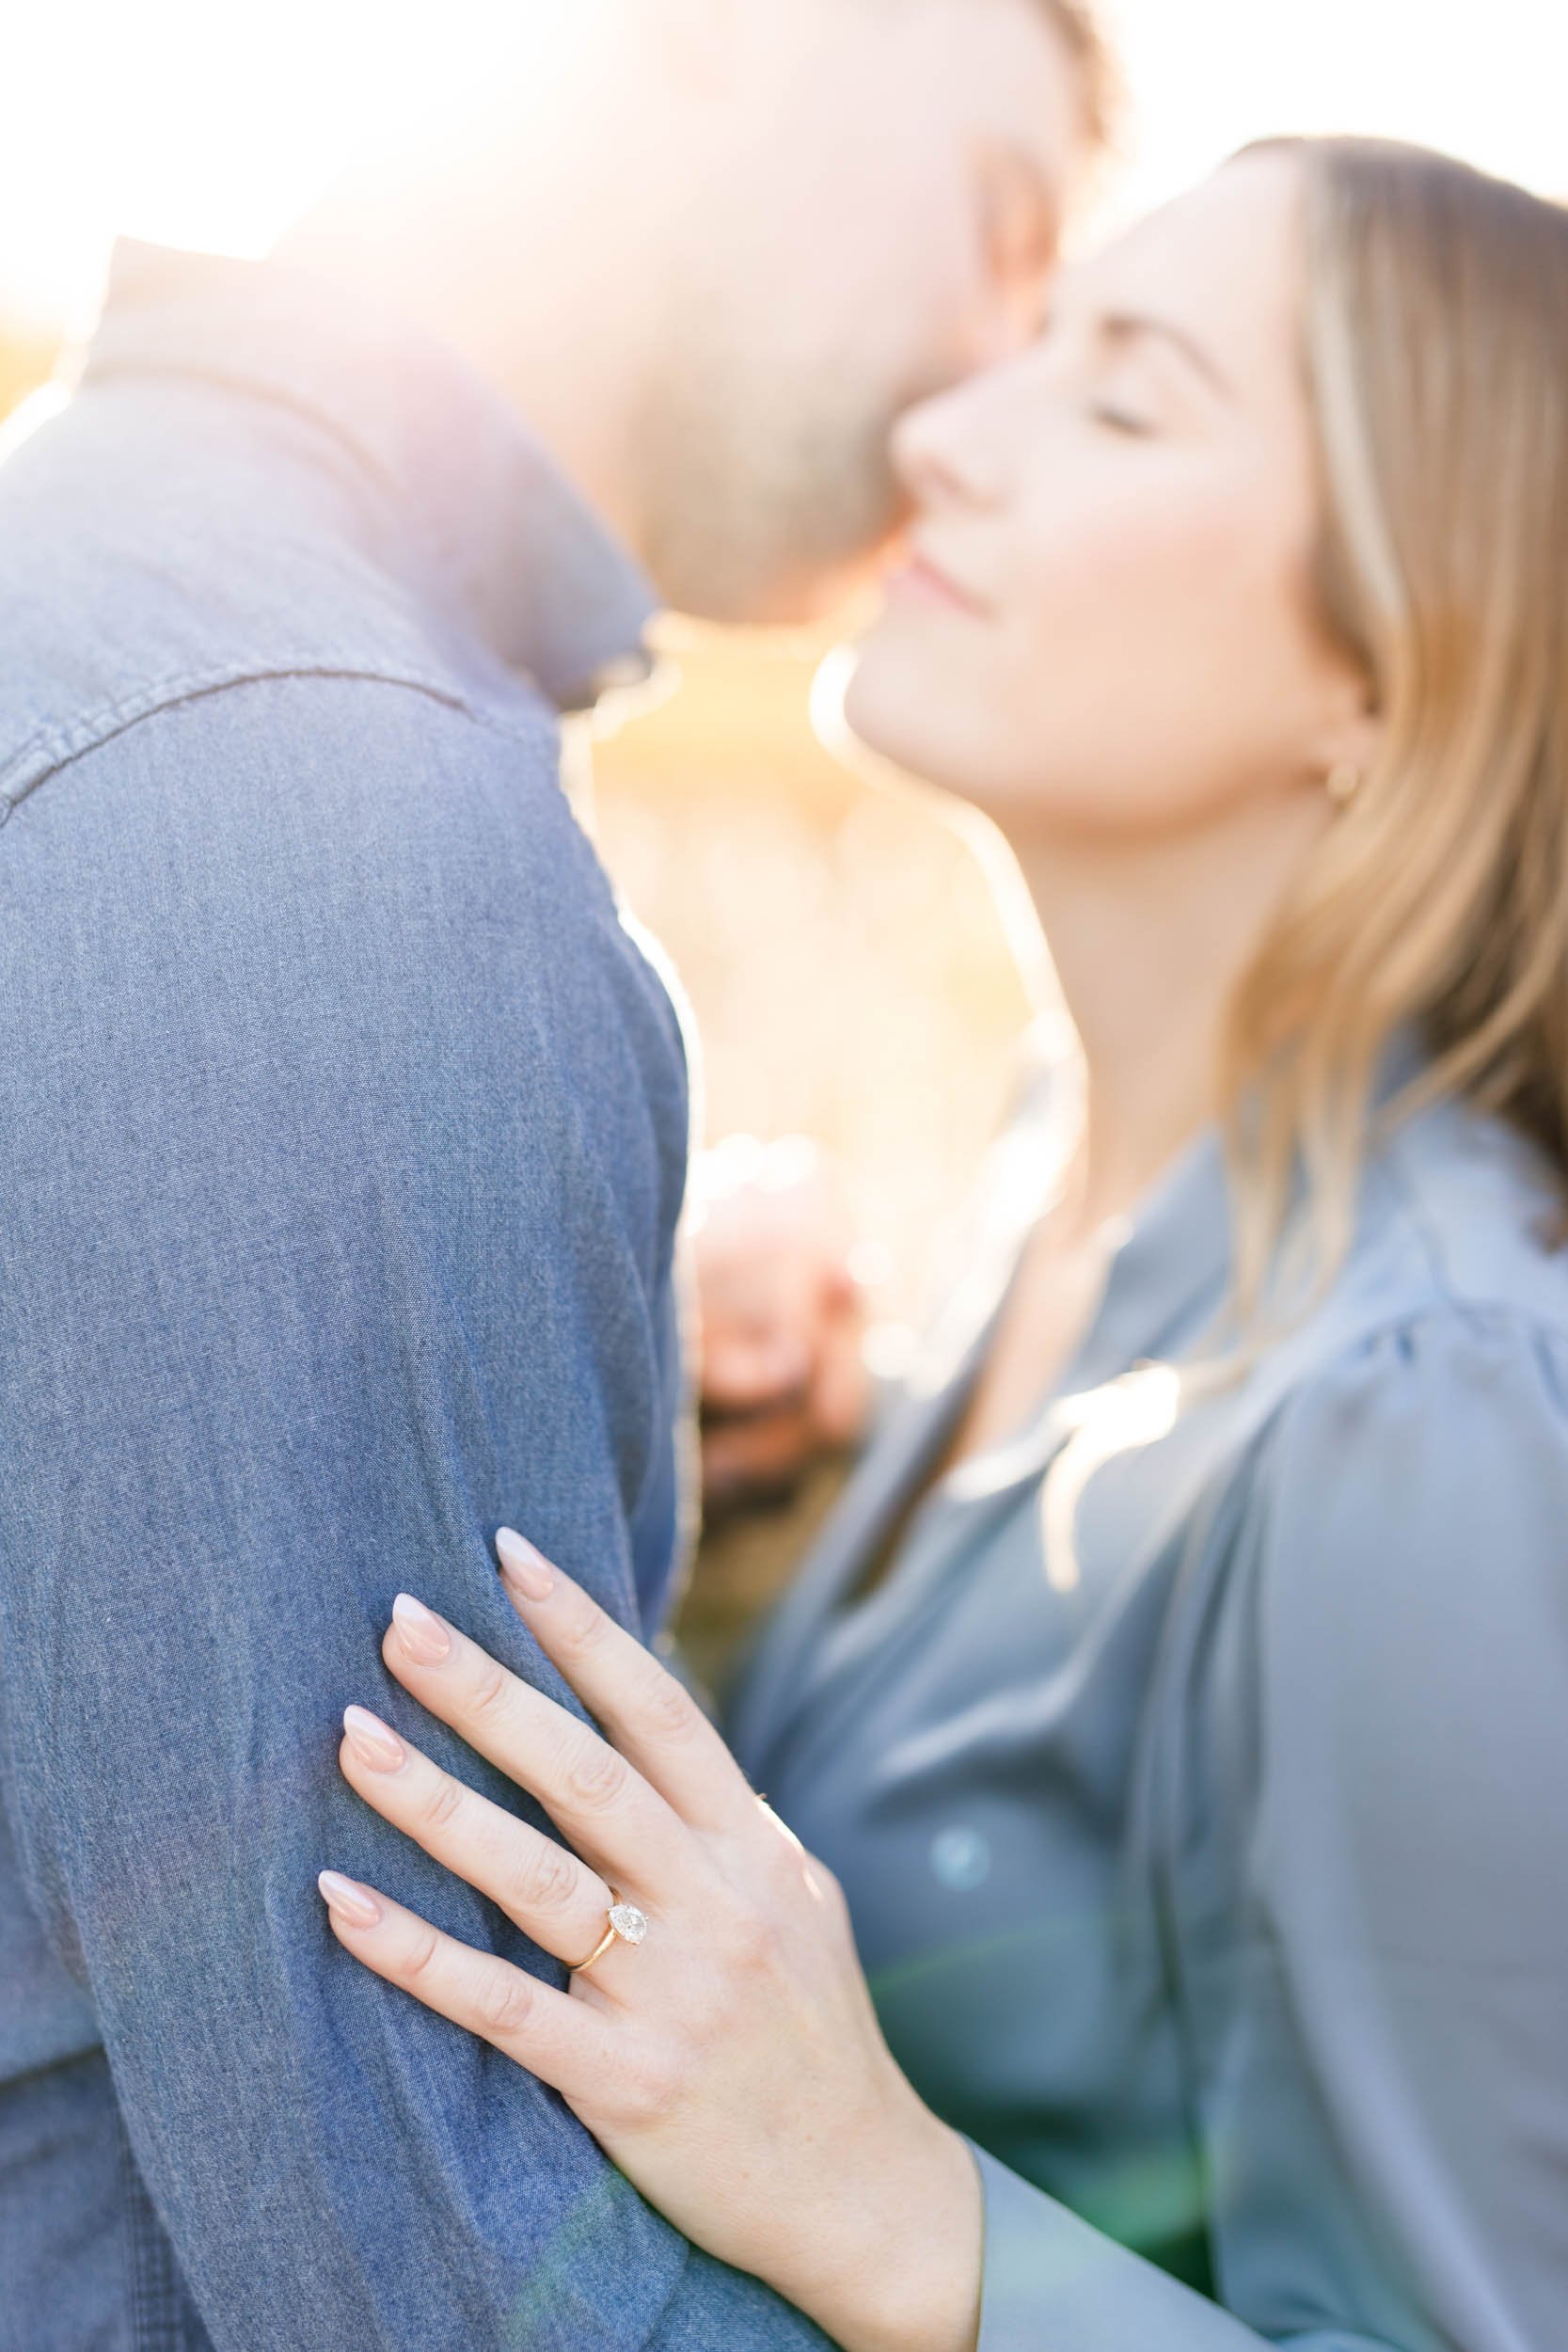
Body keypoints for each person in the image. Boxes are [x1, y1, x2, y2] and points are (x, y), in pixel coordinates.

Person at [314, 138, 1568, 2351]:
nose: (943, 435)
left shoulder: (1425, 1415)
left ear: (1394, 662)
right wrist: (770, 1494)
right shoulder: (1063, 1172)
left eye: (1124, 393)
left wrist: (905, 2213)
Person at [0, 4, 1109, 2346]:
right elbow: (479, 2278)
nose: (989, 378)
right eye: (1006, 226)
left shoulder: (121, 584)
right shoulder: (328, 806)